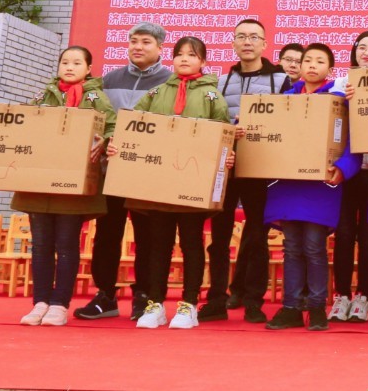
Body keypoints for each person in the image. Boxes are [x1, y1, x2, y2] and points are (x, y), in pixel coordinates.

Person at [110, 37, 233, 330]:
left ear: (203, 61)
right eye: (179, 54)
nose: (184, 59)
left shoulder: (213, 96)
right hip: (159, 185)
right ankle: (155, 303)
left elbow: (225, 132)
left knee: (191, 244)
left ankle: (189, 304)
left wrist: (228, 155)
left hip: (193, 184)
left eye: (192, 55)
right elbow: (132, 125)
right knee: (158, 245)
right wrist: (117, 143)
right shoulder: (156, 92)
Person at [74, 22, 171, 322]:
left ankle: (144, 296)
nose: (137, 47)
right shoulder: (108, 80)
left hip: (147, 172)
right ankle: (105, 295)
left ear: (160, 47)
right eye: (133, 41)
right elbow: (96, 119)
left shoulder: (170, 81)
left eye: (145, 42)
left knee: (148, 237)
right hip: (109, 170)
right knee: (107, 234)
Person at [15, 47, 117, 327]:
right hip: (39, 184)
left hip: (73, 184)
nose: (69, 67)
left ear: (89, 68)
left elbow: (112, 127)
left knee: (67, 245)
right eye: (65, 62)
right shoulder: (44, 96)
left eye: (76, 63)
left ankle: (60, 304)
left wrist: (105, 141)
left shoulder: (95, 98)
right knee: (40, 245)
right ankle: (40, 302)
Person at [263, 43, 360, 332]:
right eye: (308, 60)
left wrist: (343, 168)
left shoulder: (339, 100)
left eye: (320, 61)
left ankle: (317, 307)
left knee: (315, 247)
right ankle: (291, 307)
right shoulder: (284, 100)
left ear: (330, 69)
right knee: (291, 247)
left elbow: (354, 140)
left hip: (321, 186)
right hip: (288, 185)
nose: (312, 65)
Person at [203, 18, 289, 324]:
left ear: (264, 44)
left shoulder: (280, 81)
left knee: (256, 236)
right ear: (233, 43)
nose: (247, 42)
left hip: (260, 167)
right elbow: (209, 122)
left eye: (254, 37)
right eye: (241, 36)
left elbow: (288, 123)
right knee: (219, 236)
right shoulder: (218, 83)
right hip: (224, 168)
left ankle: (254, 300)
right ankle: (216, 298)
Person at [333, 31, 368, 323]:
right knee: (343, 235)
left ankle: (365, 296)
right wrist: (344, 100)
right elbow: (330, 121)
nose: (367, 52)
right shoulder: (341, 83)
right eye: (362, 47)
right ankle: (341, 294)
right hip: (346, 173)